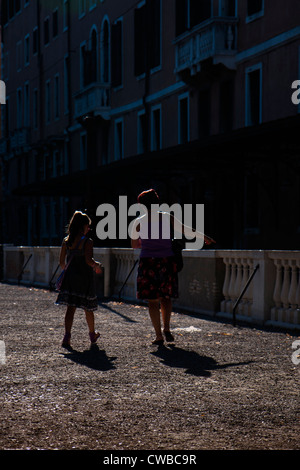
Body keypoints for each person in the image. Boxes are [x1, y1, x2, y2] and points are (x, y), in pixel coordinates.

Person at [131, 189, 215, 345]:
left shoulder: (138, 222)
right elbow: (185, 229)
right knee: (166, 297)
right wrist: (204, 237)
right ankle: (167, 329)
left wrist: (147, 241)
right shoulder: (166, 217)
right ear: (156, 202)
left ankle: (158, 335)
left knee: (152, 300)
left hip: (148, 262)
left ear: (142, 205)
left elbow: (134, 245)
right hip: (166, 261)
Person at [56, 211, 103, 349]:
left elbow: (61, 262)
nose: (89, 229)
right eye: (88, 226)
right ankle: (92, 334)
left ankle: (67, 336)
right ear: (82, 226)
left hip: (70, 278)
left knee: (70, 308)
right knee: (88, 308)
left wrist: (69, 271)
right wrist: (97, 265)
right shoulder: (87, 242)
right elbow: (88, 260)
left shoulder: (66, 241)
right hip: (84, 278)